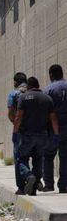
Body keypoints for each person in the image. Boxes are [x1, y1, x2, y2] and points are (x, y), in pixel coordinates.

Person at [13, 77, 59, 196]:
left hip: (26, 134)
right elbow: (53, 117)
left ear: (28, 86)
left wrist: (14, 132)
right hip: (43, 135)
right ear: (38, 85)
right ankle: (34, 187)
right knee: (38, 160)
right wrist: (56, 134)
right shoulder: (47, 98)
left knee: (21, 158)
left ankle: (29, 176)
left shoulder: (23, 97)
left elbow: (18, 117)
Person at [43, 64, 67, 193]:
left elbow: (45, 111)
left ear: (51, 75)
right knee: (64, 156)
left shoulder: (48, 90)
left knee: (48, 155)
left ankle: (49, 184)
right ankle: (64, 185)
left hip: (53, 128)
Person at [7, 72, 28, 195]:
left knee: (19, 157)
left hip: (20, 130)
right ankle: (34, 183)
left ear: (15, 82)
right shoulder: (33, 92)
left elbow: (10, 113)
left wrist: (15, 125)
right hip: (35, 130)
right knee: (35, 156)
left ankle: (21, 187)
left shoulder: (13, 94)